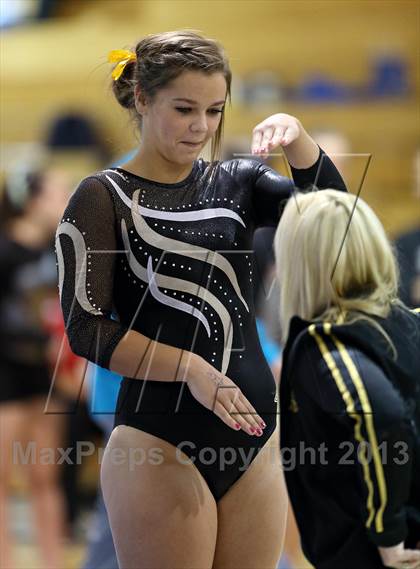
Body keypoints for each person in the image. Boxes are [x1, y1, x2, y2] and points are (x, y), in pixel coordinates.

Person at [55, 30, 346, 569]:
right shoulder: (102, 196)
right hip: (159, 436)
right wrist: (189, 368)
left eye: (214, 111)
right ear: (142, 98)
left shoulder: (239, 181)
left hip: (254, 434)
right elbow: (86, 327)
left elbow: (336, 224)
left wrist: (300, 142)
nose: (201, 127)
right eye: (184, 108)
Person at [274, 189, 420, 569]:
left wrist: (388, 532)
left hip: (374, 554)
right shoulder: (410, 319)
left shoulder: (324, 343)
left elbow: (384, 418)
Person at [0, 166, 70, 569]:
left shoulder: (56, 251)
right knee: (4, 478)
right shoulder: (5, 251)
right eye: (56, 194)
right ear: (32, 202)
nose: (63, 202)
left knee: (46, 477)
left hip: (44, 374)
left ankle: (53, 561)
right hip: (6, 374)